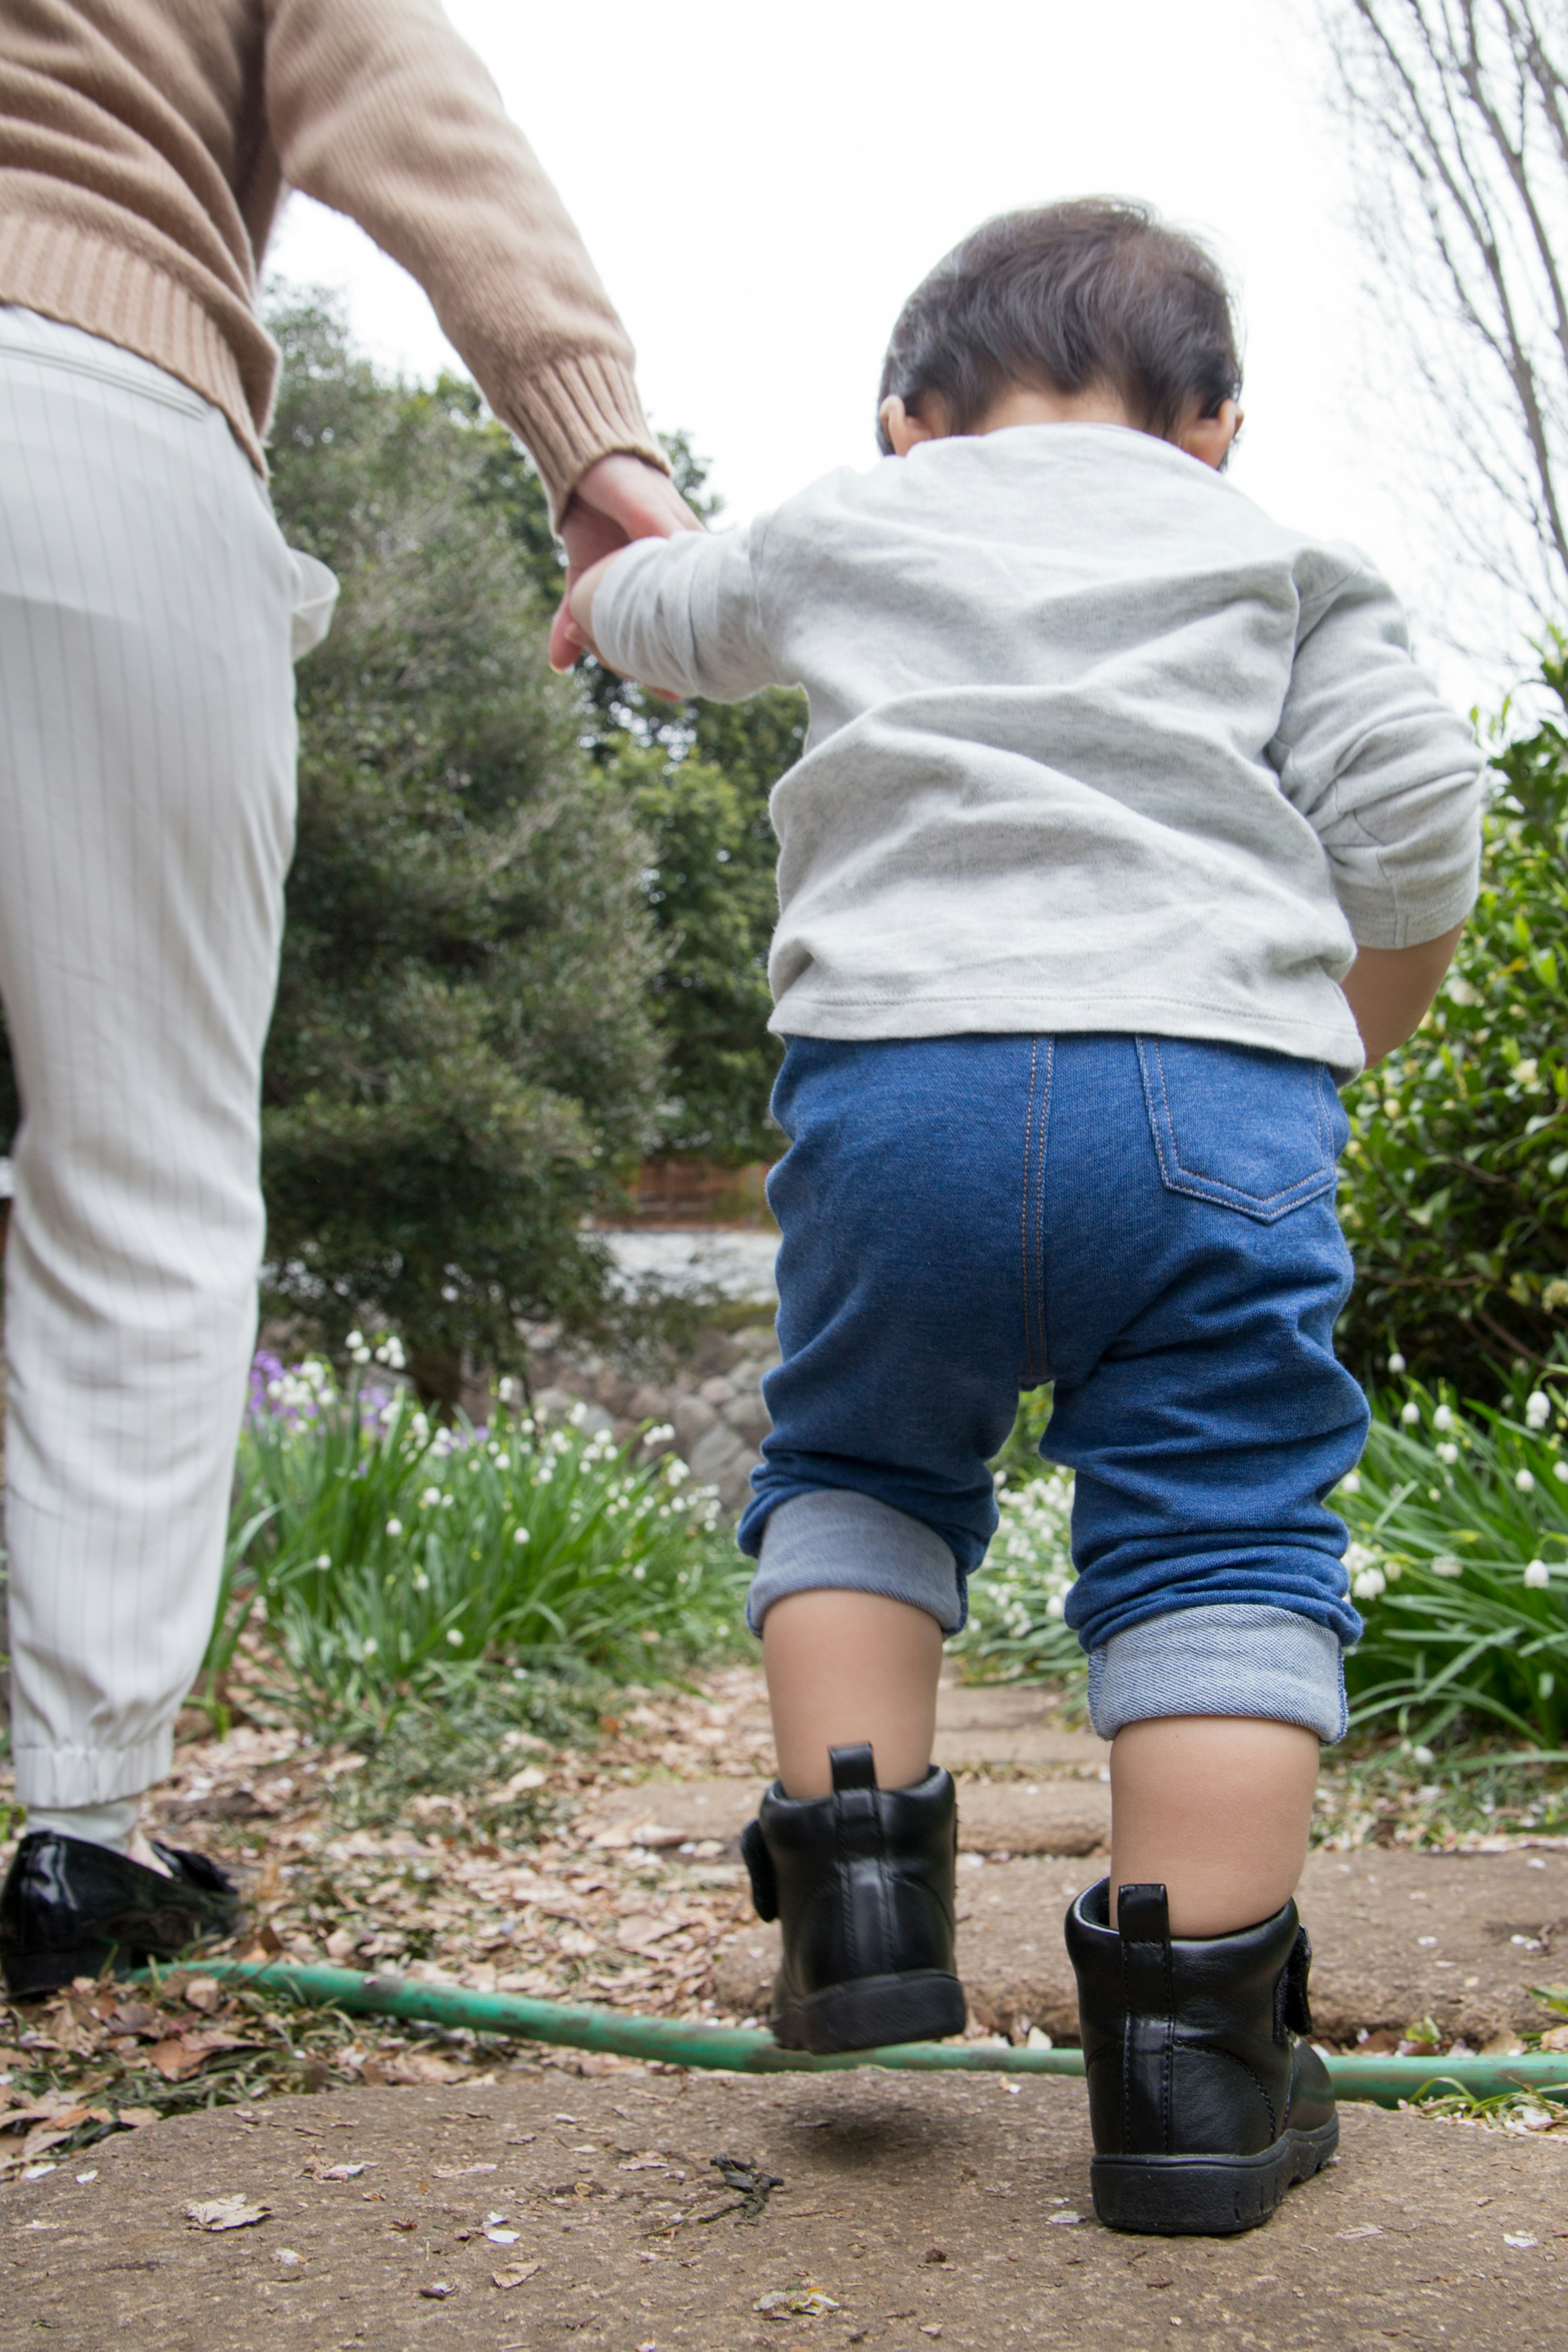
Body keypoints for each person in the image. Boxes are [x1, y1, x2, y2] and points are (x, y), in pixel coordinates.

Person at [566, 199, 1484, 2236]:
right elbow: (1418, 811)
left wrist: (601, 594)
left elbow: (665, 601)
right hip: (1213, 1096)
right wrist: (1351, 1023)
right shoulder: (1278, 560)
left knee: (864, 1458)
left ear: (911, 418)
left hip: (903, 1091)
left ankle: (861, 1904)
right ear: (1217, 423)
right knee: (1226, 1520)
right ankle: (1194, 2083)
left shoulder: (842, 524)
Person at [0, 0, 697, 2000]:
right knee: (131, 1166)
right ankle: (82, 1828)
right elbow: (398, 85)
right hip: (93, 407)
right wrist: (596, 440)